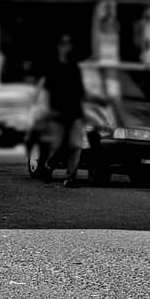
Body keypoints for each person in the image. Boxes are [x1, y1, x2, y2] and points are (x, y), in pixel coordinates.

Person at [34, 32, 86, 186]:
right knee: (58, 145)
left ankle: (71, 177)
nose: (67, 46)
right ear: (59, 46)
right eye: (64, 43)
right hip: (57, 113)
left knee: (76, 145)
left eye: (69, 43)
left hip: (75, 112)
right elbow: (46, 91)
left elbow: (80, 90)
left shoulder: (75, 67)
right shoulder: (52, 67)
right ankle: (49, 165)